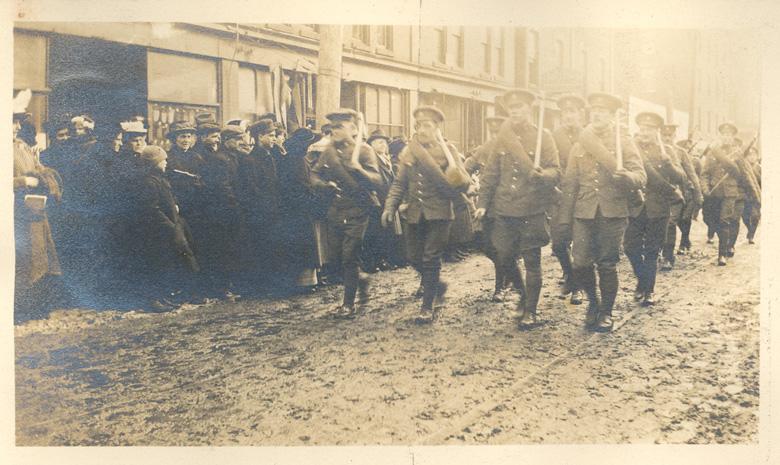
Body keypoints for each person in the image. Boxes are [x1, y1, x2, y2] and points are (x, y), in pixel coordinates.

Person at [558, 92, 647, 332]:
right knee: (580, 263)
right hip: (584, 211)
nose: (598, 115)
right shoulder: (580, 144)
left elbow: (641, 176)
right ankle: (593, 303)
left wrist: (628, 177)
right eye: (594, 111)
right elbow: (570, 184)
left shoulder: (624, 142)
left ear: (611, 115)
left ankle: (606, 312)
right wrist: (564, 219)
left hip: (613, 211)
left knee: (607, 264)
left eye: (603, 111)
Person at [474, 89, 561, 328]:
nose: (514, 111)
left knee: (532, 260)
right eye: (511, 108)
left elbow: (556, 171)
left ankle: (530, 311)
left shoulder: (543, 136)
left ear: (529, 109)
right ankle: (523, 294)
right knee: (503, 257)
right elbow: (490, 174)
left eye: (519, 107)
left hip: (532, 208)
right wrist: (482, 204)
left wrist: (544, 175)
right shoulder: (502, 139)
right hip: (505, 208)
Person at [382, 106, 470, 322]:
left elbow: (464, 182)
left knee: (431, 258)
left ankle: (427, 306)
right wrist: (390, 206)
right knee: (413, 257)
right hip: (415, 213)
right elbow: (399, 183)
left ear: (437, 128)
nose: (421, 130)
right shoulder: (409, 151)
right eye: (418, 126)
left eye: (427, 125)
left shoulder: (448, 151)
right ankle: (437, 285)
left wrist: (457, 177)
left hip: (440, 214)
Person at [310, 109, 383, 318]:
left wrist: (358, 169)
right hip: (335, 209)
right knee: (336, 257)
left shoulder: (364, 151)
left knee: (349, 256)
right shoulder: (329, 151)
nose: (334, 131)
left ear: (352, 128)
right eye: (332, 127)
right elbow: (314, 174)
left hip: (358, 210)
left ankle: (348, 304)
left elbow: (378, 181)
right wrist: (324, 185)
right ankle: (360, 278)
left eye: (339, 127)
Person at [623, 112, 685, 306]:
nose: (644, 132)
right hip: (635, 206)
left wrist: (669, 165)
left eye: (649, 129)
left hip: (658, 208)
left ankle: (648, 290)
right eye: (642, 128)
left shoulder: (666, 151)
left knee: (652, 251)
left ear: (657, 131)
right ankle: (643, 280)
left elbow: (681, 177)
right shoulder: (630, 148)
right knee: (630, 247)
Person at [13, 89, 63, 320]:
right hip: (13, 212)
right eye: (12, 122)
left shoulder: (21, 146)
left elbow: (39, 168)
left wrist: (44, 176)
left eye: (18, 122)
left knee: (39, 255)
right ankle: (19, 307)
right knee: (21, 258)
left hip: (33, 210)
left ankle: (36, 304)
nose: (16, 127)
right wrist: (21, 181)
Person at [130, 145, 198, 311]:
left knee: (164, 263)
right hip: (156, 231)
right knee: (155, 264)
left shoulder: (159, 178)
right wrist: (170, 226)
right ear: (154, 163)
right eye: (163, 160)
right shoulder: (149, 182)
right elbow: (151, 209)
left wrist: (175, 206)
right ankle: (153, 300)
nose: (166, 163)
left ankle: (162, 297)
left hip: (166, 228)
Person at [550, 94, 586, 305]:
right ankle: (569, 273)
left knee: (581, 245)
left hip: (583, 196)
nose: (568, 116)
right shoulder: (553, 136)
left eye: (572, 111)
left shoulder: (588, 135)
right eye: (565, 112)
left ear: (580, 113)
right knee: (558, 243)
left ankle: (577, 286)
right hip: (560, 196)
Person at [701, 122, 746, 266]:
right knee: (711, 220)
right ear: (720, 136)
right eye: (724, 134)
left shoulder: (738, 154)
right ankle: (725, 244)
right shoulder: (713, 152)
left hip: (730, 193)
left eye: (729, 134)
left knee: (724, 221)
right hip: (714, 193)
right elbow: (705, 173)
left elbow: (744, 175)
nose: (726, 137)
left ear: (733, 137)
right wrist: (705, 189)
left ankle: (722, 254)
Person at [659, 125, 702, 269]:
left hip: (675, 194)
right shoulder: (653, 149)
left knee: (670, 223)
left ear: (674, 137)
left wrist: (698, 194)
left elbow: (691, 174)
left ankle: (668, 257)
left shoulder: (681, 152)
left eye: (669, 136)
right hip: (657, 194)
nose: (667, 138)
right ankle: (658, 251)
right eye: (664, 135)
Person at [362, 128, 396, 272]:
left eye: (385, 142)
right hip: (376, 199)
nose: (384, 145)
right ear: (372, 144)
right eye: (380, 142)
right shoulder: (372, 159)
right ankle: (371, 262)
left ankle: (382, 259)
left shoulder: (385, 159)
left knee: (384, 230)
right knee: (373, 231)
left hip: (386, 199)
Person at [673, 138, 705, 254]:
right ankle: (686, 240)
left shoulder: (695, 161)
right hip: (676, 193)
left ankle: (683, 242)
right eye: (686, 147)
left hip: (689, 193)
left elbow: (696, 176)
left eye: (688, 147)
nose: (687, 149)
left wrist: (698, 193)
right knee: (676, 220)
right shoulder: (674, 155)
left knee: (685, 218)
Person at [741, 147, 761, 244]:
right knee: (745, 216)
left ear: (757, 156)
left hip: (756, 196)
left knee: (755, 216)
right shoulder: (744, 168)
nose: (752, 157)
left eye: (754, 155)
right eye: (749, 155)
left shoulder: (760, 168)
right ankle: (750, 229)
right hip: (746, 196)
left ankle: (751, 235)